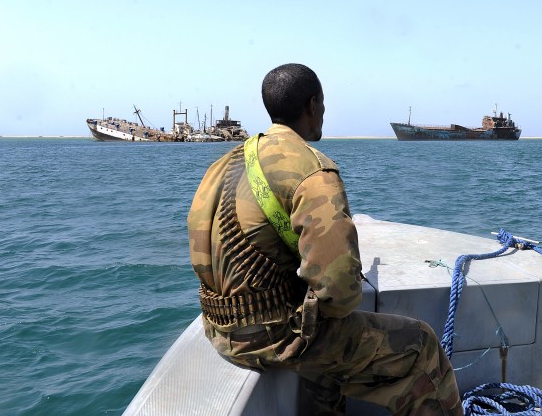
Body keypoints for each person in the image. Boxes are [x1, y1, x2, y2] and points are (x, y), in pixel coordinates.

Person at [188, 63, 463, 415]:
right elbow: (341, 294)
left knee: (326, 350)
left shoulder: (223, 164)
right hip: (270, 339)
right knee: (421, 347)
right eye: (322, 104)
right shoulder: (312, 169)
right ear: (312, 105)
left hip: (218, 330)